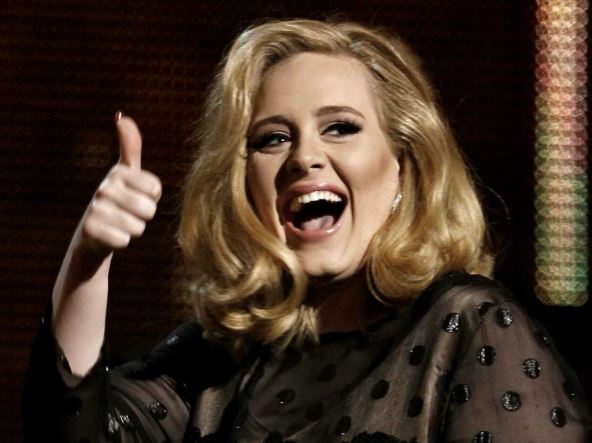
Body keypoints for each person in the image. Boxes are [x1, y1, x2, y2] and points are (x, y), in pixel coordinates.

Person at [23, 19, 591, 443]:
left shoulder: (469, 327)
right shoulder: (216, 362)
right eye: (273, 138)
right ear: (246, 184)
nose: (304, 157)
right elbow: (68, 428)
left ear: (403, 165)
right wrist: (88, 261)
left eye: (340, 128)